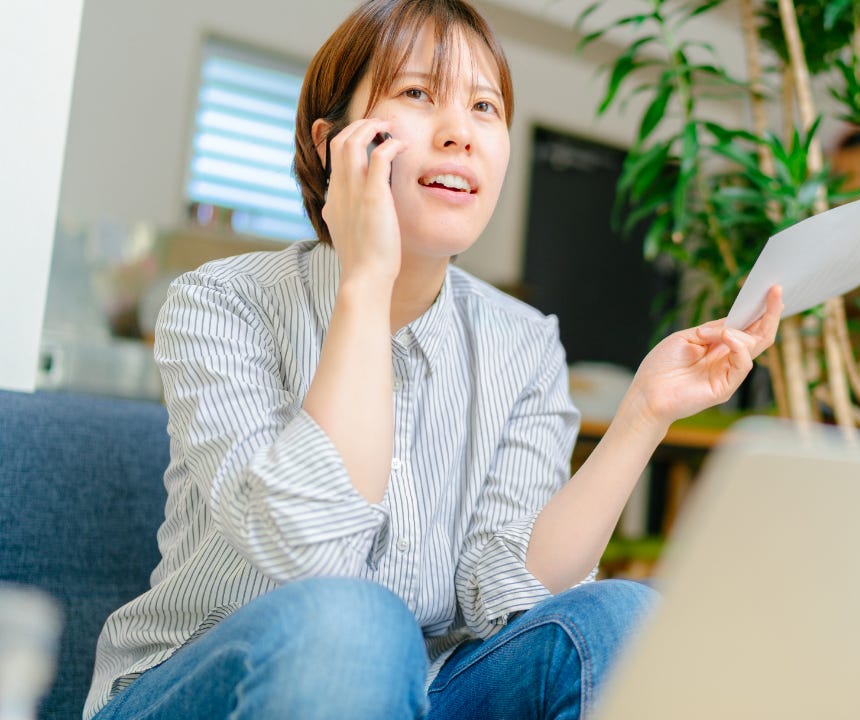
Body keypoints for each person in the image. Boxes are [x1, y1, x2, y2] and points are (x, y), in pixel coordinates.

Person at [85, 1, 783, 718]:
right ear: (334, 145)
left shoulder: (524, 340)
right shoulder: (220, 302)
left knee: (623, 616)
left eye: (485, 106)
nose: (460, 133)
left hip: (420, 692)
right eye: (418, 94)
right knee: (358, 625)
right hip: (217, 685)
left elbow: (509, 589)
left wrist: (644, 413)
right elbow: (311, 559)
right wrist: (365, 280)